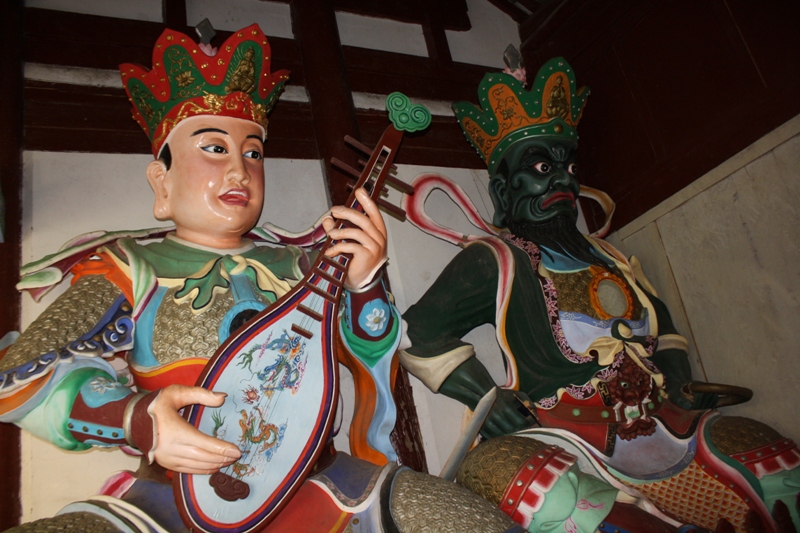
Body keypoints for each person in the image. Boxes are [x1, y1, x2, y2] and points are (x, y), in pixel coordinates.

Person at [401, 57, 800, 532]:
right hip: (570, 438)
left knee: (774, 460)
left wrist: (679, 384)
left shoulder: (611, 258)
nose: (564, 179)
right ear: (504, 192)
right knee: (509, 477)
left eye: (569, 166)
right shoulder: (496, 260)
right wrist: (493, 403)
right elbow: (423, 331)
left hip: (668, 424)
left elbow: (667, 331)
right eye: (544, 167)